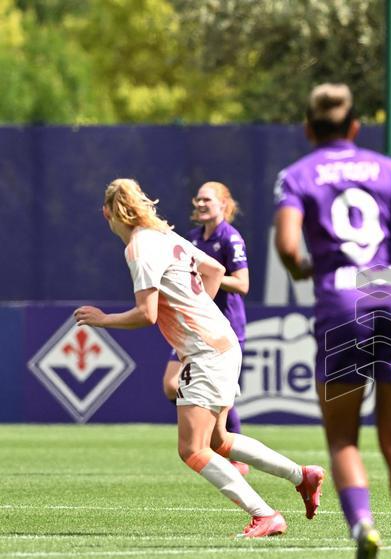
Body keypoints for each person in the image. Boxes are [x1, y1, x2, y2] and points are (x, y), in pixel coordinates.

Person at [273, 84, 391, 559]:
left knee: (343, 440)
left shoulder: (297, 175)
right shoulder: (388, 169)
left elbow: (287, 246)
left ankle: (363, 528)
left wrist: (305, 267)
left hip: (341, 301)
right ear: (355, 128)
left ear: (309, 129)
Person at [74, 178, 325, 538]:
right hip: (222, 341)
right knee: (220, 441)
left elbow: (147, 314)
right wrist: (197, 314)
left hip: (206, 351)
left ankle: (265, 514)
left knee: (192, 450)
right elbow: (216, 271)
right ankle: (303, 476)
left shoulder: (140, 248)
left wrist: (103, 320)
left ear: (108, 213)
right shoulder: (165, 236)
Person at [162, 181, 251, 476]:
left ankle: (230, 453)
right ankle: (213, 438)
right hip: (192, 325)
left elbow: (242, 284)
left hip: (223, 326)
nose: (200, 204)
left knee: (220, 396)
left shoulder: (230, 238)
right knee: (170, 385)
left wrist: (210, 275)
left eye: (207, 200)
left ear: (223, 204)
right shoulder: (193, 237)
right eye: (197, 200)